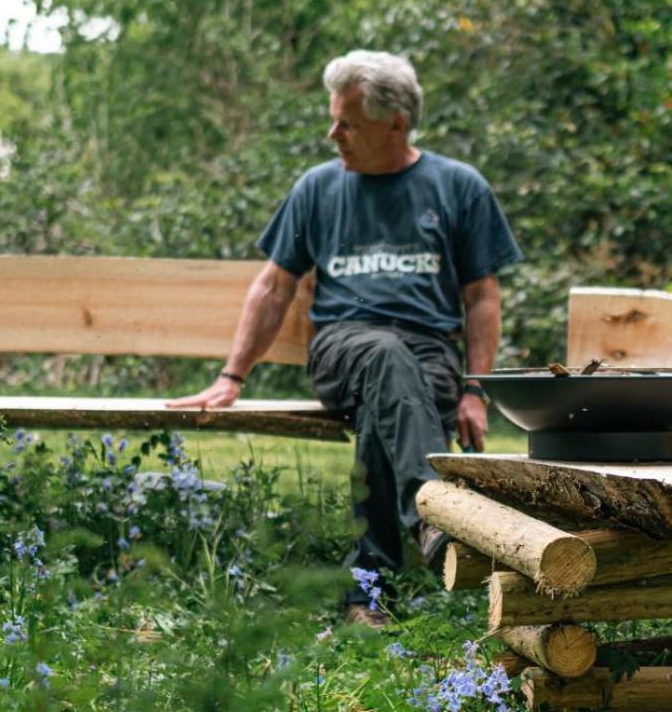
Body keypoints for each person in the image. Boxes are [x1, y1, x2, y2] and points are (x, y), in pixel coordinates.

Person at [169, 50, 521, 625]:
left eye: (347, 123)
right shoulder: (318, 188)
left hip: (430, 351)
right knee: (384, 359)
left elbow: (482, 297)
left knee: (387, 405)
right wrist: (232, 375)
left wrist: (474, 390)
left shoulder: (458, 186)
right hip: (342, 346)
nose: (333, 133)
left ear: (396, 125)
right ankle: (433, 511)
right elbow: (275, 286)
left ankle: (368, 595)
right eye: (334, 119)